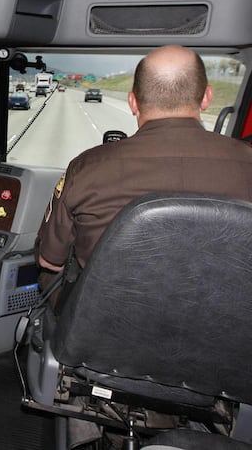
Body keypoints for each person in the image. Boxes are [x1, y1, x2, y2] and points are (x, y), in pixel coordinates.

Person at [37, 45, 252, 291]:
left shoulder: (87, 168)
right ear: (206, 97)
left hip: (105, 325)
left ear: (133, 102)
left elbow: (50, 260)